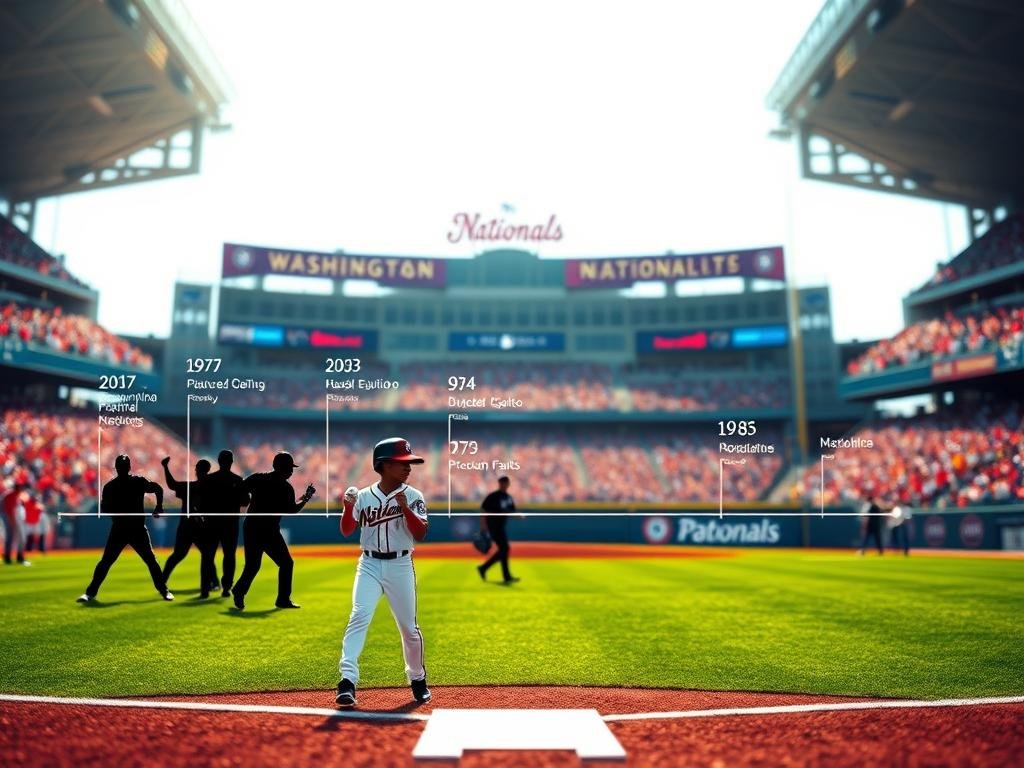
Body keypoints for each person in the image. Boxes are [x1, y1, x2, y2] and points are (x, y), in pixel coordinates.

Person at [335, 437, 431, 709]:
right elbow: (346, 530)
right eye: (402, 463)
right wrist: (347, 507)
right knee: (359, 615)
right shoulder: (364, 496)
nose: (408, 468)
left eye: (409, 463)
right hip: (369, 564)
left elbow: (421, 533)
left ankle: (417, 678)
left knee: (409, 629)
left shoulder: (413, 496)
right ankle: (347, 681)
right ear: (384, 465)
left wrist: (404, 507)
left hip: (400, 565)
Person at [77, 455, 172, 603]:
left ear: (126, 467)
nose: (122, 468)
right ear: (121, 467)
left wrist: (159, 506)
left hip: (137, 529)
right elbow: (105, 507)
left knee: (150, 560)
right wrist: (114, 509)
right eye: (120, 466)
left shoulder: (137, 482)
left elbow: (157, 488)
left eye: (123, 466)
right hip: (120, 529)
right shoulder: (111, 486)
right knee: (106, 561)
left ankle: (164, 590)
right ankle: (90, 593)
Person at [231, 452, 314, 610]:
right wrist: (306, 498)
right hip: (269, 530)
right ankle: (282, 600)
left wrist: (244, 499)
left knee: (253, 565)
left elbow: (239, 490)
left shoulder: (258, 477)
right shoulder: (286, 487)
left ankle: (239, 591)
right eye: (289, 467)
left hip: (252, 527)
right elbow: (292, 510)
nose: (291, 471)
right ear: (282, 468)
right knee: (286, 563)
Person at [160, 457, 218, 598]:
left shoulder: (191, 487)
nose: (196, 471)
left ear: (198, 470)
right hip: (201, 527)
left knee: (179, 555)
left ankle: (161, 581)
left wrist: (165, 467)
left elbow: (172, 484)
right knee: (207, 556)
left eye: (197, 469)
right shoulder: (211, 488)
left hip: (187, 527)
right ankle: (214, 583)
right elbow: (172, 485)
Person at [204, 449, 248, 597]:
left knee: (208, 555)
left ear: (219, 461)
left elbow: (201, 502)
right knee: (229, 555)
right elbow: (245, 501)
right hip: (230, 524)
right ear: (231, 462)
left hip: (211, 523)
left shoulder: (209, 479)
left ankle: (206, 587)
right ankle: (226, 587)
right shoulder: (238, 480)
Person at [476, 476, 519, 584]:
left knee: (504, 550)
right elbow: (483, 510)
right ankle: (503, 575)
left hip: (501, 526)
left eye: (505, 483)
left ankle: (485, 568)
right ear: (499, 484)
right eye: (502, 483)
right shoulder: (493, 496)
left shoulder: (508, 497)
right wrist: (483, 527)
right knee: (505, 549)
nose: (504, 485)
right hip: (493, 526)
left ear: (508, 484)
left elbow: (511, 510)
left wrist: (517, 516)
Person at [2, 481, 29, 566]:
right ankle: (17, 557)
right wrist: (12, 522)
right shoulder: (11, 495)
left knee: (15, 538)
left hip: (14, 518)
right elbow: (9, 511)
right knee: (18, 537)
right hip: (11, 519)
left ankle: (10, 557)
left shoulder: (13, 494)